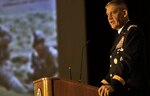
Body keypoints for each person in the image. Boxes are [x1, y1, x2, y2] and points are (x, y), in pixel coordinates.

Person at [97, 0, 149, 96]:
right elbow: (115, 69)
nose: (109, 18)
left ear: (124, 13)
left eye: (113, 13)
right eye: (107, 14)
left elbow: (127, 62)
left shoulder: (133, 32)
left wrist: (113, 85)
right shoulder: (120, 35)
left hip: (133, 91)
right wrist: (100, 86)